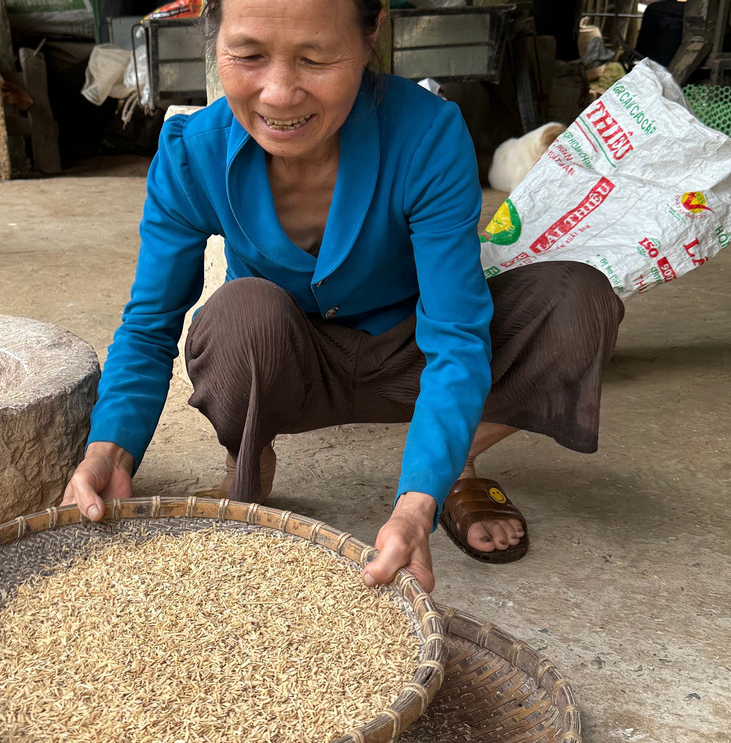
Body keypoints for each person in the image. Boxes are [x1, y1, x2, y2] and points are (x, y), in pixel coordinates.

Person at [61, 0, 623, 591]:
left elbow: (455, 336)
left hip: (410, 354)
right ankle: (250, 450)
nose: (278, 94)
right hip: (292, 362)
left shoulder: (427, 134)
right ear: (213, 39)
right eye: (247, 55)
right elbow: (150, 324)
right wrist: (111, 451)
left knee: (577, 301)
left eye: (316, 58)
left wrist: (415, 506)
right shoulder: (189, 153)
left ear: (372, 30)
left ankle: (450, 462)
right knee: (239, 316)